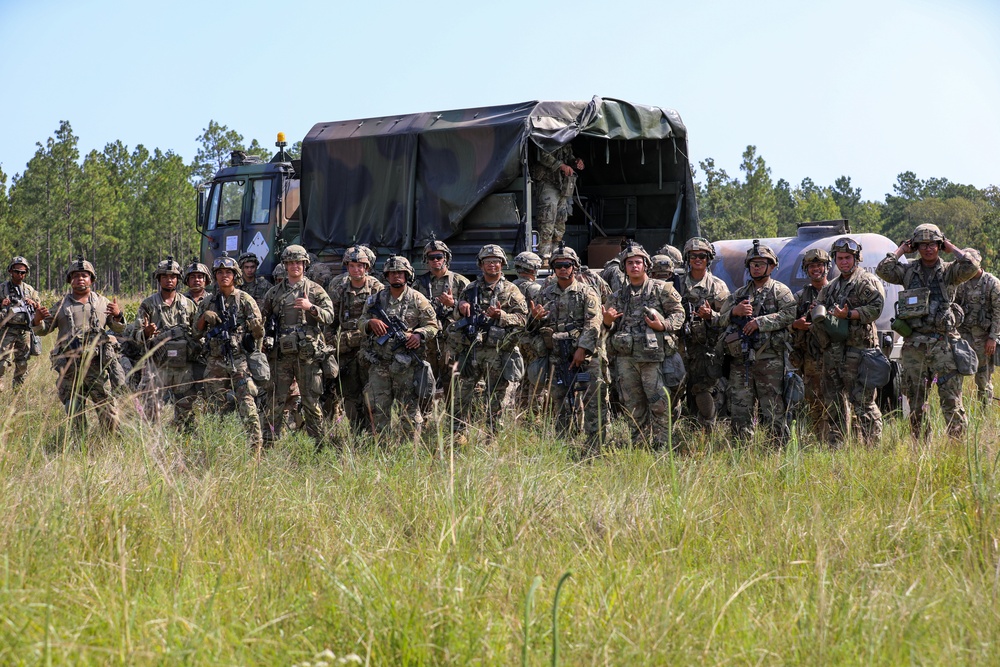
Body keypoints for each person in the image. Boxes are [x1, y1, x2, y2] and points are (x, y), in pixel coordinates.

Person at [877, 224, 981, 439]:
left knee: (951, 400)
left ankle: (957, 446)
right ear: (915, 246)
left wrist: (951, 247)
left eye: (933, 244)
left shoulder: (950, 271)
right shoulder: (906, 271)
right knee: (915, 403)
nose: (928, 249)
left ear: (939, 245)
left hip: (943, 344)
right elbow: (883, 270)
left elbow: (972, 265)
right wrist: (900, 251)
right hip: (914, 346)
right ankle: (921, 447)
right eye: (922, 244)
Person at [602, 242, 684, 448]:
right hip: (626, 360)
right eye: (630, 263)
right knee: (632, 405)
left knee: (659, 404)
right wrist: (607, 322)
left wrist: (662, 324)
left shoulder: (662, 289)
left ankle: (662, 447)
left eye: (638, 262)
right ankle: (638, 446)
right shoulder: (617, 297)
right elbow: (604, 329)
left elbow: (679, 314)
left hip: (654, 360)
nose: (634, 266)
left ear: (646, 265)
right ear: (624, 267)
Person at [32, 255, 126, 434]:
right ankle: (78, 443)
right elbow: (44, 330)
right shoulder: (60, 306)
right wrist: (37, 320)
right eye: (75, 276)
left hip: (96, 365)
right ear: (70, 280)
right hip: (70, 367)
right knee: (74, 407)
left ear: (91, 279)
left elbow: (119, 328)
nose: (80, 279)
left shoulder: (103, 302)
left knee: (107, 406)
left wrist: (118, 315)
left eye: (84, 275)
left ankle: (111, 443)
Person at [529, 245, 607, 455]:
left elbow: (593, 322)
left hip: (586, 357)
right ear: (553, 268)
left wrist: (582, 349)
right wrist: (535, 318)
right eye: (559, 266)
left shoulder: (586, 292)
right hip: (557, 357)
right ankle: (564, 447)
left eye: (567, 265)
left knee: (593, 401)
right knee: (561, 403)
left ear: (574, 267)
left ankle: (595, 448)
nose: (563, 269)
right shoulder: (545, 294)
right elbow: (530, 328)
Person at [718, 241, 796, 445]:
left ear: (771, 266)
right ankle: (741, 451)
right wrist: (734, 312)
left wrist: (759, 323)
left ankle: (776, 451)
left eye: (761, 264)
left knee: (773, 408)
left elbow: (789, 315)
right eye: (752, 264)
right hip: (741, 361)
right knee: (740, 409)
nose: (756, 267)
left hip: (769, 359)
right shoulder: (739, 294)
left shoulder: (780, 291)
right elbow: (719, 319)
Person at [449, 244, 528, 443]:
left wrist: (501, 315)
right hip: (472, 350)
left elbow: (523, 319)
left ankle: (493, 438)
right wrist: (460, 306)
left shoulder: (511, 290)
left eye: (496, 262)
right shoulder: (470, 289)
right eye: (488, 262)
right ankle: (458, 436)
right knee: (461, 396)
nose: (492, 265)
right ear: (481, 265)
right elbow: (456, 316)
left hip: (498, 352)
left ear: (502, 264)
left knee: (496, 399)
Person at [261, 245, 335, 449]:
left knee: (311, 402)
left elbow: (330, 316)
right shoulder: (274, 292)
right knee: (275, 401)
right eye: (290, 263)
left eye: (298, 262)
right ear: (285, 265)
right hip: (281, 357)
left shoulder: (315, 290)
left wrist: (310, 307)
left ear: (305, 264)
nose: (295, 266)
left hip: (307, 355)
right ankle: (268, 446)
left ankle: (319, 447)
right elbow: (262, 322)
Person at [358, 256, 438, 442]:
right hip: (380, 364)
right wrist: (371, 322)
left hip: (407, 367)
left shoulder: (418, 299)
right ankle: (381, 447)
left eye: (400, 273)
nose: (396, 276)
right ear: (387, 275)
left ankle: (408, 450)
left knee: (409, 411)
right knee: (378, 409)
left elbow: (433, 325)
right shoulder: (375, 299)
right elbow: (361, 322)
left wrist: (418, 335)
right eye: (392, 273)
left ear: (407, 274)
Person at [815, 238, 885, 446]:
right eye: (840, 258)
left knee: (863, 402)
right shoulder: (831, 287)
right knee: (834, 402)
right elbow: (819, 307)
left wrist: (850, 314)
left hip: (860, 351)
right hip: (835, 352)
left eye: (848, 258)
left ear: (856, 258)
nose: (844, 262)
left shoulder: (866, 281)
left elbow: (876, 307)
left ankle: (872, 447)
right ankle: (837, 446)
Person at [195, 253, 265, 448]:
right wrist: (204, 318)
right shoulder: (208, 302)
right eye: (220, 272)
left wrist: (257, 328)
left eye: (228, 272)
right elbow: (195, 332)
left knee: (247, 403)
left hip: (238, 360)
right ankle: (216, 447)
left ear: (235, 275)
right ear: (215, 276)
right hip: (215, 361)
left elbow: (259, 333)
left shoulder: (245, 299)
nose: (224, 276)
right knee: (215, 406)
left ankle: (255, 448)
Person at [133, 256, 199, 427]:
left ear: (178, 279)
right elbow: (135, 335)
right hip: (157, 364)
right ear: (159, 279)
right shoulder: (148, 304)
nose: (169, 280)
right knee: (151, 408)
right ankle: (151, 441)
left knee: (186, 408)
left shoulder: (188, 304)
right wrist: (146, 333)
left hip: (183, 365)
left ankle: (180, 438)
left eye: (173, 276)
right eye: (165, 276)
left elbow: (198, 333)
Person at [325, 245, 383, 430]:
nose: (356, 270)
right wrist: (332, 345)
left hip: (371, 349)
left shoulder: (377, 288)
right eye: (352, 266)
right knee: (349, 394)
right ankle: (356, 432)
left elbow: (384, 319)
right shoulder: (338, 287)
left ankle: (373, 431)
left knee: (372, 393)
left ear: (367, 267)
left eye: (360, 266)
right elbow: (330, 321)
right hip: (346, 351)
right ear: (347, 267)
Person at [676, 237, 730, 431]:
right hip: (678, 344)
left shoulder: (717, 286)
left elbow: (727, 319)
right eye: (693, 256)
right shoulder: (676, 283)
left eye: (702, 256)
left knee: (702, 389)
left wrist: (710, 316)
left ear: (708, 259)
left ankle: (707, 429)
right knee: (674, 387)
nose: (697, 260)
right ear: (687, 258)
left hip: (705, 347)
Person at [414, 239, 469, 397]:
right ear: (426, 260)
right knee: (425, 385)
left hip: (452, 341)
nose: (436, 260)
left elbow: (473, 311)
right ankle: (424, 421)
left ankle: (453, 420)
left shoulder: (460, 281)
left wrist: (454, 304)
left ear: (446, 258)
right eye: (431, 258)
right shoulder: (419, 284)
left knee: (453, 386)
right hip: (428, 342)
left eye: (439, 256)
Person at [789, 248, 831, 440]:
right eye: (812, 266)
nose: (816, 269)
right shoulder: (799, 297)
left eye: (819, 265)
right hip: (809, 359)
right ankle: (821, 441)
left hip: (833, 356)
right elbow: (786, 322)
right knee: (814, 401)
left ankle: (840, 440)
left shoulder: (835, 292)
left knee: (837, 401)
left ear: (827, 268)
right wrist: (796, 325)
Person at [954, 249, 1000, 406]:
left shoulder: (992, 283)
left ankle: (984, 412)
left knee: (983, 379)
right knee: (955, 376)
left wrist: (993, 338)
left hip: (984, 339)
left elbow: (998, 313)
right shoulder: (960, 282)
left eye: (969, 264)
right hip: (963, 337)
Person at [532, 143, 583, 259]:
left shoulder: (564, 137)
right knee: (547, 219)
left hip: (561, 184)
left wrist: (575, 162)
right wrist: (561, 166)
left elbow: (568, 157)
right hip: (547, 182)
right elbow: (542, 155)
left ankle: (556, 255)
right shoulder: (545, 135)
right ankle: (545, 256)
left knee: (560, 220)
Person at [0, 256, 42, 391]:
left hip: (24, 331)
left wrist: (33, 303)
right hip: (7, 329)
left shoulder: (29, 290)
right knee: (2, 362)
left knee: (22, 362)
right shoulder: (2, 288)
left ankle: (17, 390)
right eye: (17, 271)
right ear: (10, 271)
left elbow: (39, 307)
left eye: (23, 272)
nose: (20, 275)